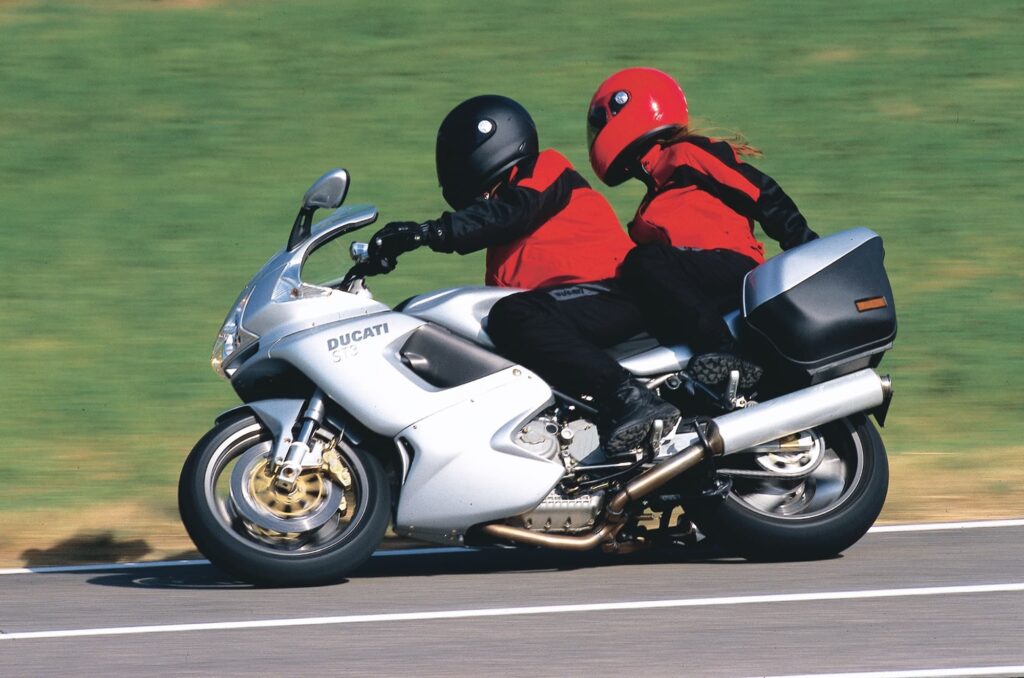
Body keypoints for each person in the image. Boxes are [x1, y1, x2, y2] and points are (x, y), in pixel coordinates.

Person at [364, 94, 680, 456]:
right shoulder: (503, 248)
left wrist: (427, 232)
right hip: (574, 313)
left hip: (614, 294)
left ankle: (629, 398)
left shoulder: (545, 170)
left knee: (512, 315)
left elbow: (510, 212)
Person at [586, 67, 819, 389]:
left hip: (732, 266)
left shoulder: (685, 155)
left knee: (644, 261)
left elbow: (759, 191)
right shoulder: (650, 201)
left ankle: (724, 353)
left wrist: (807, 251)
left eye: (603, 121)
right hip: (696, 282)